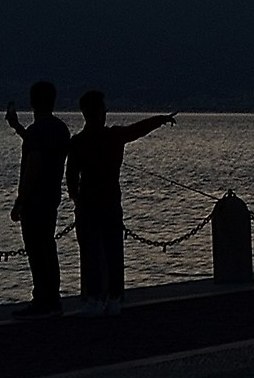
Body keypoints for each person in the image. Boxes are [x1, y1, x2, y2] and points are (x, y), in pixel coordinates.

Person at [64, 92, 175, 315]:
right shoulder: (113, 137)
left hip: (88, 206)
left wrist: (76, 198)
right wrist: (160, 119)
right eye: (103, 109)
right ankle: (114, 298)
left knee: (91, 253)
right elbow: (138, 129)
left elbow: (71, 176)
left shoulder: (78, 142)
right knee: (112, 251)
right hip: (110, 204)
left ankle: (95, 299)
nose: (106, 113)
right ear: (94, 113)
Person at [5, 80, 71, 317]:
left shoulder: (36, 132)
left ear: (33, 102)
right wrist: (18, 128)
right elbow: (42, 146)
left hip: (34, 201)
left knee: (35, 250)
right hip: (52, 198)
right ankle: (52, 297)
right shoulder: (61, 129)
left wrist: (20, 201)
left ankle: (41, 298)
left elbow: (33, 162)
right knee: (48, 247)